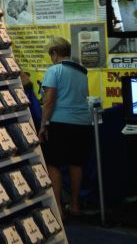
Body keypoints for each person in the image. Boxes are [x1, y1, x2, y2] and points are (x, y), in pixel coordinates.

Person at [39, 37, 92, 218]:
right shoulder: (82, 72)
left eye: (51, 55)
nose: (51, 59)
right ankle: (75, 205)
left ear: (54, 54)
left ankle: (59, 210)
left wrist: (43, 125)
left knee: (53, 164)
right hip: (83, 123)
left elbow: (49, 100)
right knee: (76, 163)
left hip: (60, 123)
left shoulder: (54, 70)